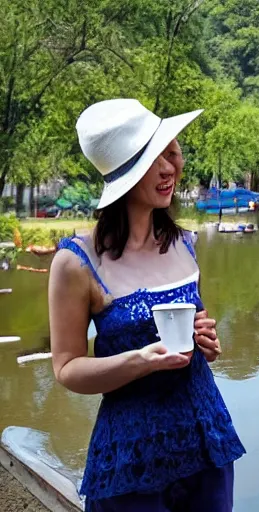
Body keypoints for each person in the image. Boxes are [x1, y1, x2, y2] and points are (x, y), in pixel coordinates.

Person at [49, 99, 245, 512]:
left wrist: (206, 343)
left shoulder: (185, 244)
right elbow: (66, 369)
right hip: (131, 461)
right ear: (127, 171)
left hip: (206, 444)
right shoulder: (77, 261)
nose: (170, 168)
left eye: (172, 153)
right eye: (156, 157)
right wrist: (139, 361)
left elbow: (198, 339)